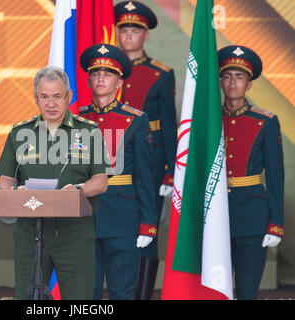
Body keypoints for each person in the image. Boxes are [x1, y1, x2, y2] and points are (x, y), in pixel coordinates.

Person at [0, 66, 110, 300]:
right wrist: (16, 192)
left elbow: (101, 181)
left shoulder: (89, 132)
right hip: (30, 233)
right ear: (36, 98)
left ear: (68, 96)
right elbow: (5, 180)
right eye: (44, 97)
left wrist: (78, 189)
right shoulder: (19, 133)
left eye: (57, 96)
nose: (51, 103)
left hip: (74, 234)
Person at [79, 43, 158, 300]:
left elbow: (145, 176)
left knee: (121, 291)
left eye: (109, 74)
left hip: (123, 218)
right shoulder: (75, 119)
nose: (101, 79)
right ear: (89, 80)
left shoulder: (135, 120)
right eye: (96, 74)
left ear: (120, 82)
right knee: (84, 293)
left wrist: (148, 223)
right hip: (83, 217)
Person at [114, 1, 178, 299]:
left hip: (150, 163)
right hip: (109, 159)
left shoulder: (160, 74)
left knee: (147, 227)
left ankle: (141, 295)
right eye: (123, 30)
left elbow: (167, 126)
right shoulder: (101, 73)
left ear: (145, 35)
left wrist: (169, 171)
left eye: (134, 31)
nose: (128, 36)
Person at [218, 45, 284, 300]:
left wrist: (275, 223)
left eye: (239, 77)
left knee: (247, 291)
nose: (233, 82)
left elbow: (276, 177)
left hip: (252, 216)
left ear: (249, 84)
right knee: (215, 291)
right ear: (220, 82)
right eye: (227, 76)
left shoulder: (265, 122)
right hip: (215, 216)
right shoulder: (208, 121)